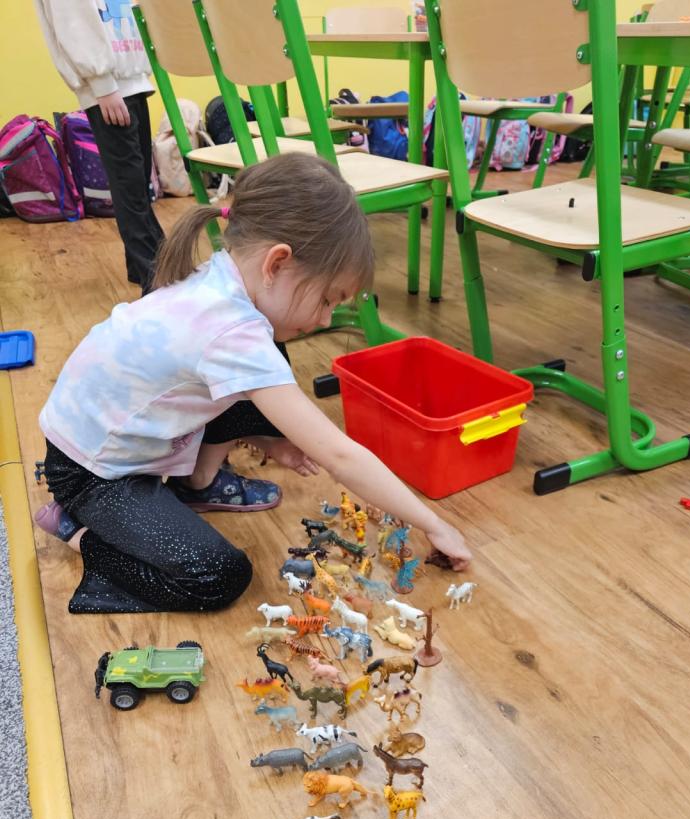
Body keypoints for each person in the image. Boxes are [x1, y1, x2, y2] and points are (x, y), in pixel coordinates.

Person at [35, 154, 471, 614]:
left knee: (271, 371)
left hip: (102, 439)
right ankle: (77, 531)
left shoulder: (220, 280)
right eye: (328, 300)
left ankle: (197, 481)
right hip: (92, 476)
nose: (326, 319)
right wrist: (433, 524)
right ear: (277, 262)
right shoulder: (233, 333)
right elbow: (341, 456)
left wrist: (271, 441)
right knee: (218, 576)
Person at [33, 0, 164, 292]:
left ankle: (142, 267)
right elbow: (72, 21)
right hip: (109, 88)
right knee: (129, 184)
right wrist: (102, 85)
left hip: (130, 79)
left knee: (138, 180)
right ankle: (154, 276)